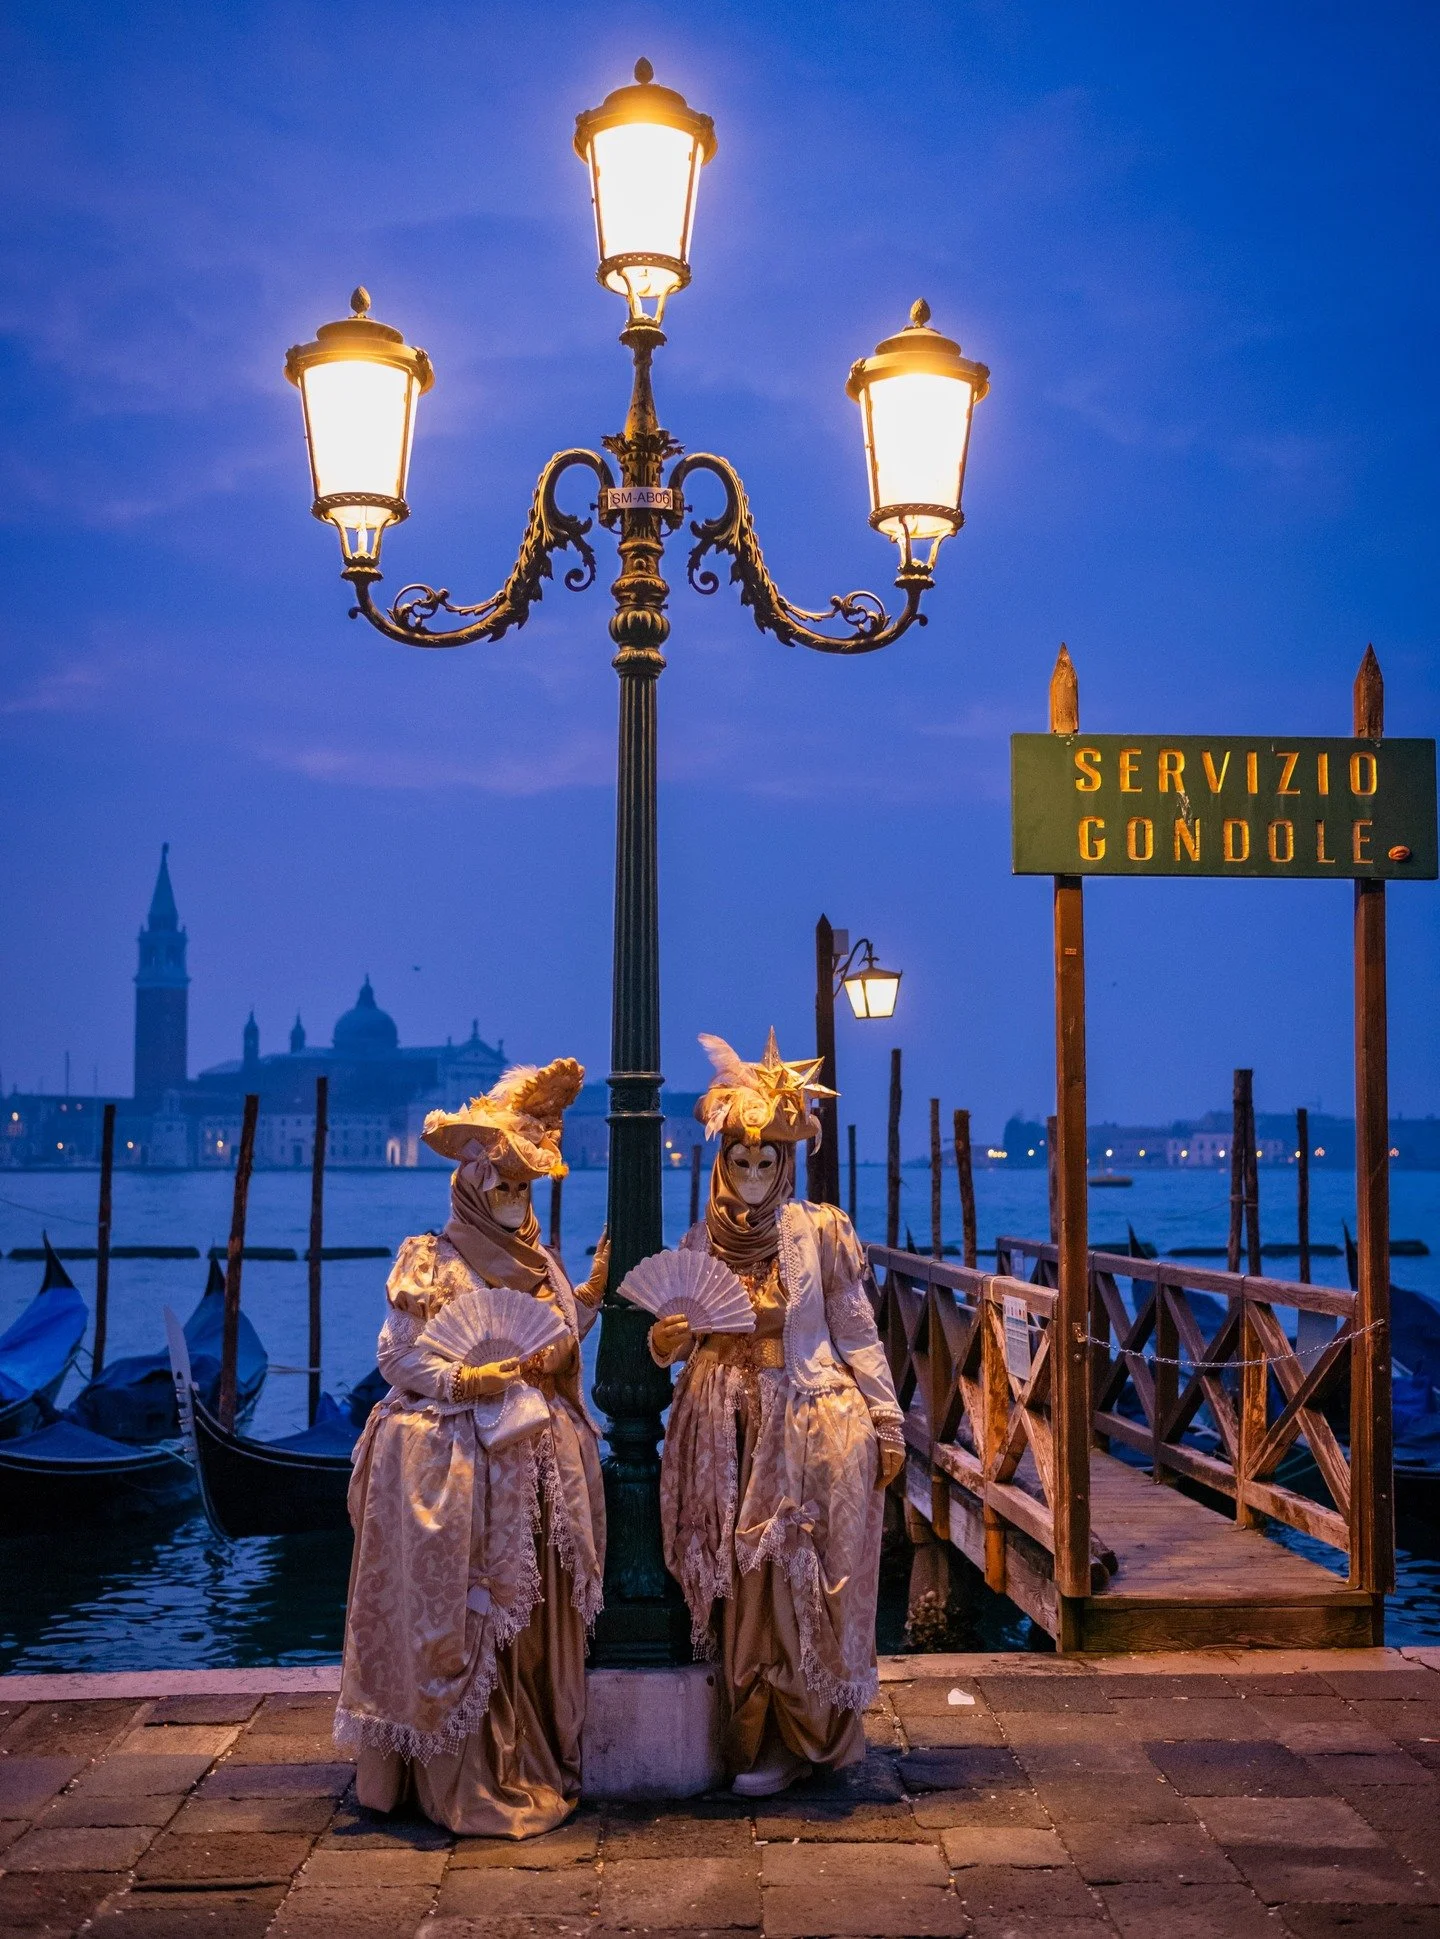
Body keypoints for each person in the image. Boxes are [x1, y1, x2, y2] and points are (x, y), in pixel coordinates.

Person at [335, 1058, 608, 1838]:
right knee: (477, 1620)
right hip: (468, 1468)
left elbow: (549, 1349)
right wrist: (468, 1379)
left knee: (528, 1626)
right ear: (473, 1186)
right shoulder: (435, 1258)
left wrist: (585, 1295)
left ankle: (532, 1753)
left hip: (538, 1467)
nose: (516, 1205)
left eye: (525, 1192)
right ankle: (473, 1770)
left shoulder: (540, 1260)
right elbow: (400, 1357)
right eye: (505, 1189)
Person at [651, 1030, 906, 1797]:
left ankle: (806, 1737)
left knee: (796, 1582)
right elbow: (674, 1338)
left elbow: (857, 1327)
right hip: (722, 1432)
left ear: (786, 1164)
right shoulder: (702, 1240)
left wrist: (888, 1419)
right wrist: (670, 1336)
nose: (756, 1173)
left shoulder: (818, 1232)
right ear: (721, 1162)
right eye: (741, 1159)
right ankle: (752, 1733)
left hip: (803, 1428)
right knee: (738, 1587)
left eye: (768, 1161)